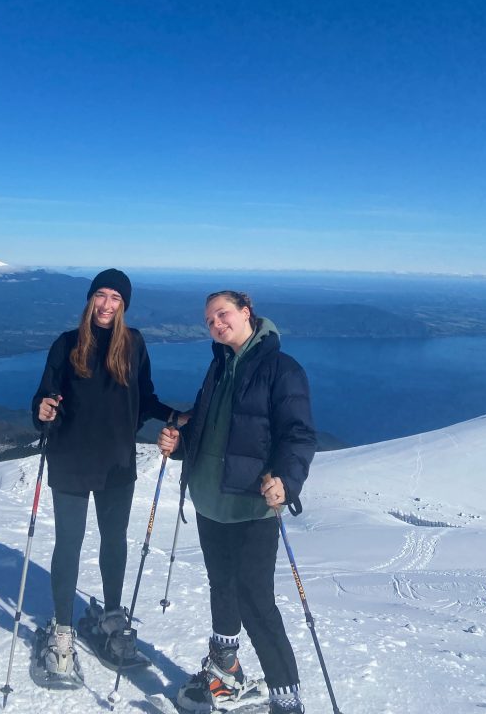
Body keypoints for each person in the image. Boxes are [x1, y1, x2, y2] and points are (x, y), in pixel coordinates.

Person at [158, 291, 316, 714]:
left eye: (222, 314)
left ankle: (286, 699)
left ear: (247, 313)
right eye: (209, 319)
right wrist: (179, 442)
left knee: (255, 600)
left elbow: (298, 435)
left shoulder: (281, 370)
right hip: (210, 502)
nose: (215, 323)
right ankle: (225, 671)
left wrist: (287, 479)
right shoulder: (219, 365)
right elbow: (209, 426)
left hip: (251, 506)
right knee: (222, 587)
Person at [31, 268, 180, 687]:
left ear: (124, 305)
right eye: (101, 294)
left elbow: (143, 398)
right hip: (71, 460)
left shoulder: (134, 345)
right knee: (70, 543)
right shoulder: (66, 344)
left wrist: (175, 417)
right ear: (90, 298)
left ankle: (111, 619)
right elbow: (43, 395)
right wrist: (42, 410)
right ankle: (62, 632)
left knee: (114, 542)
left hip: (117, 463)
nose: (107, 304)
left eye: (116, 297)